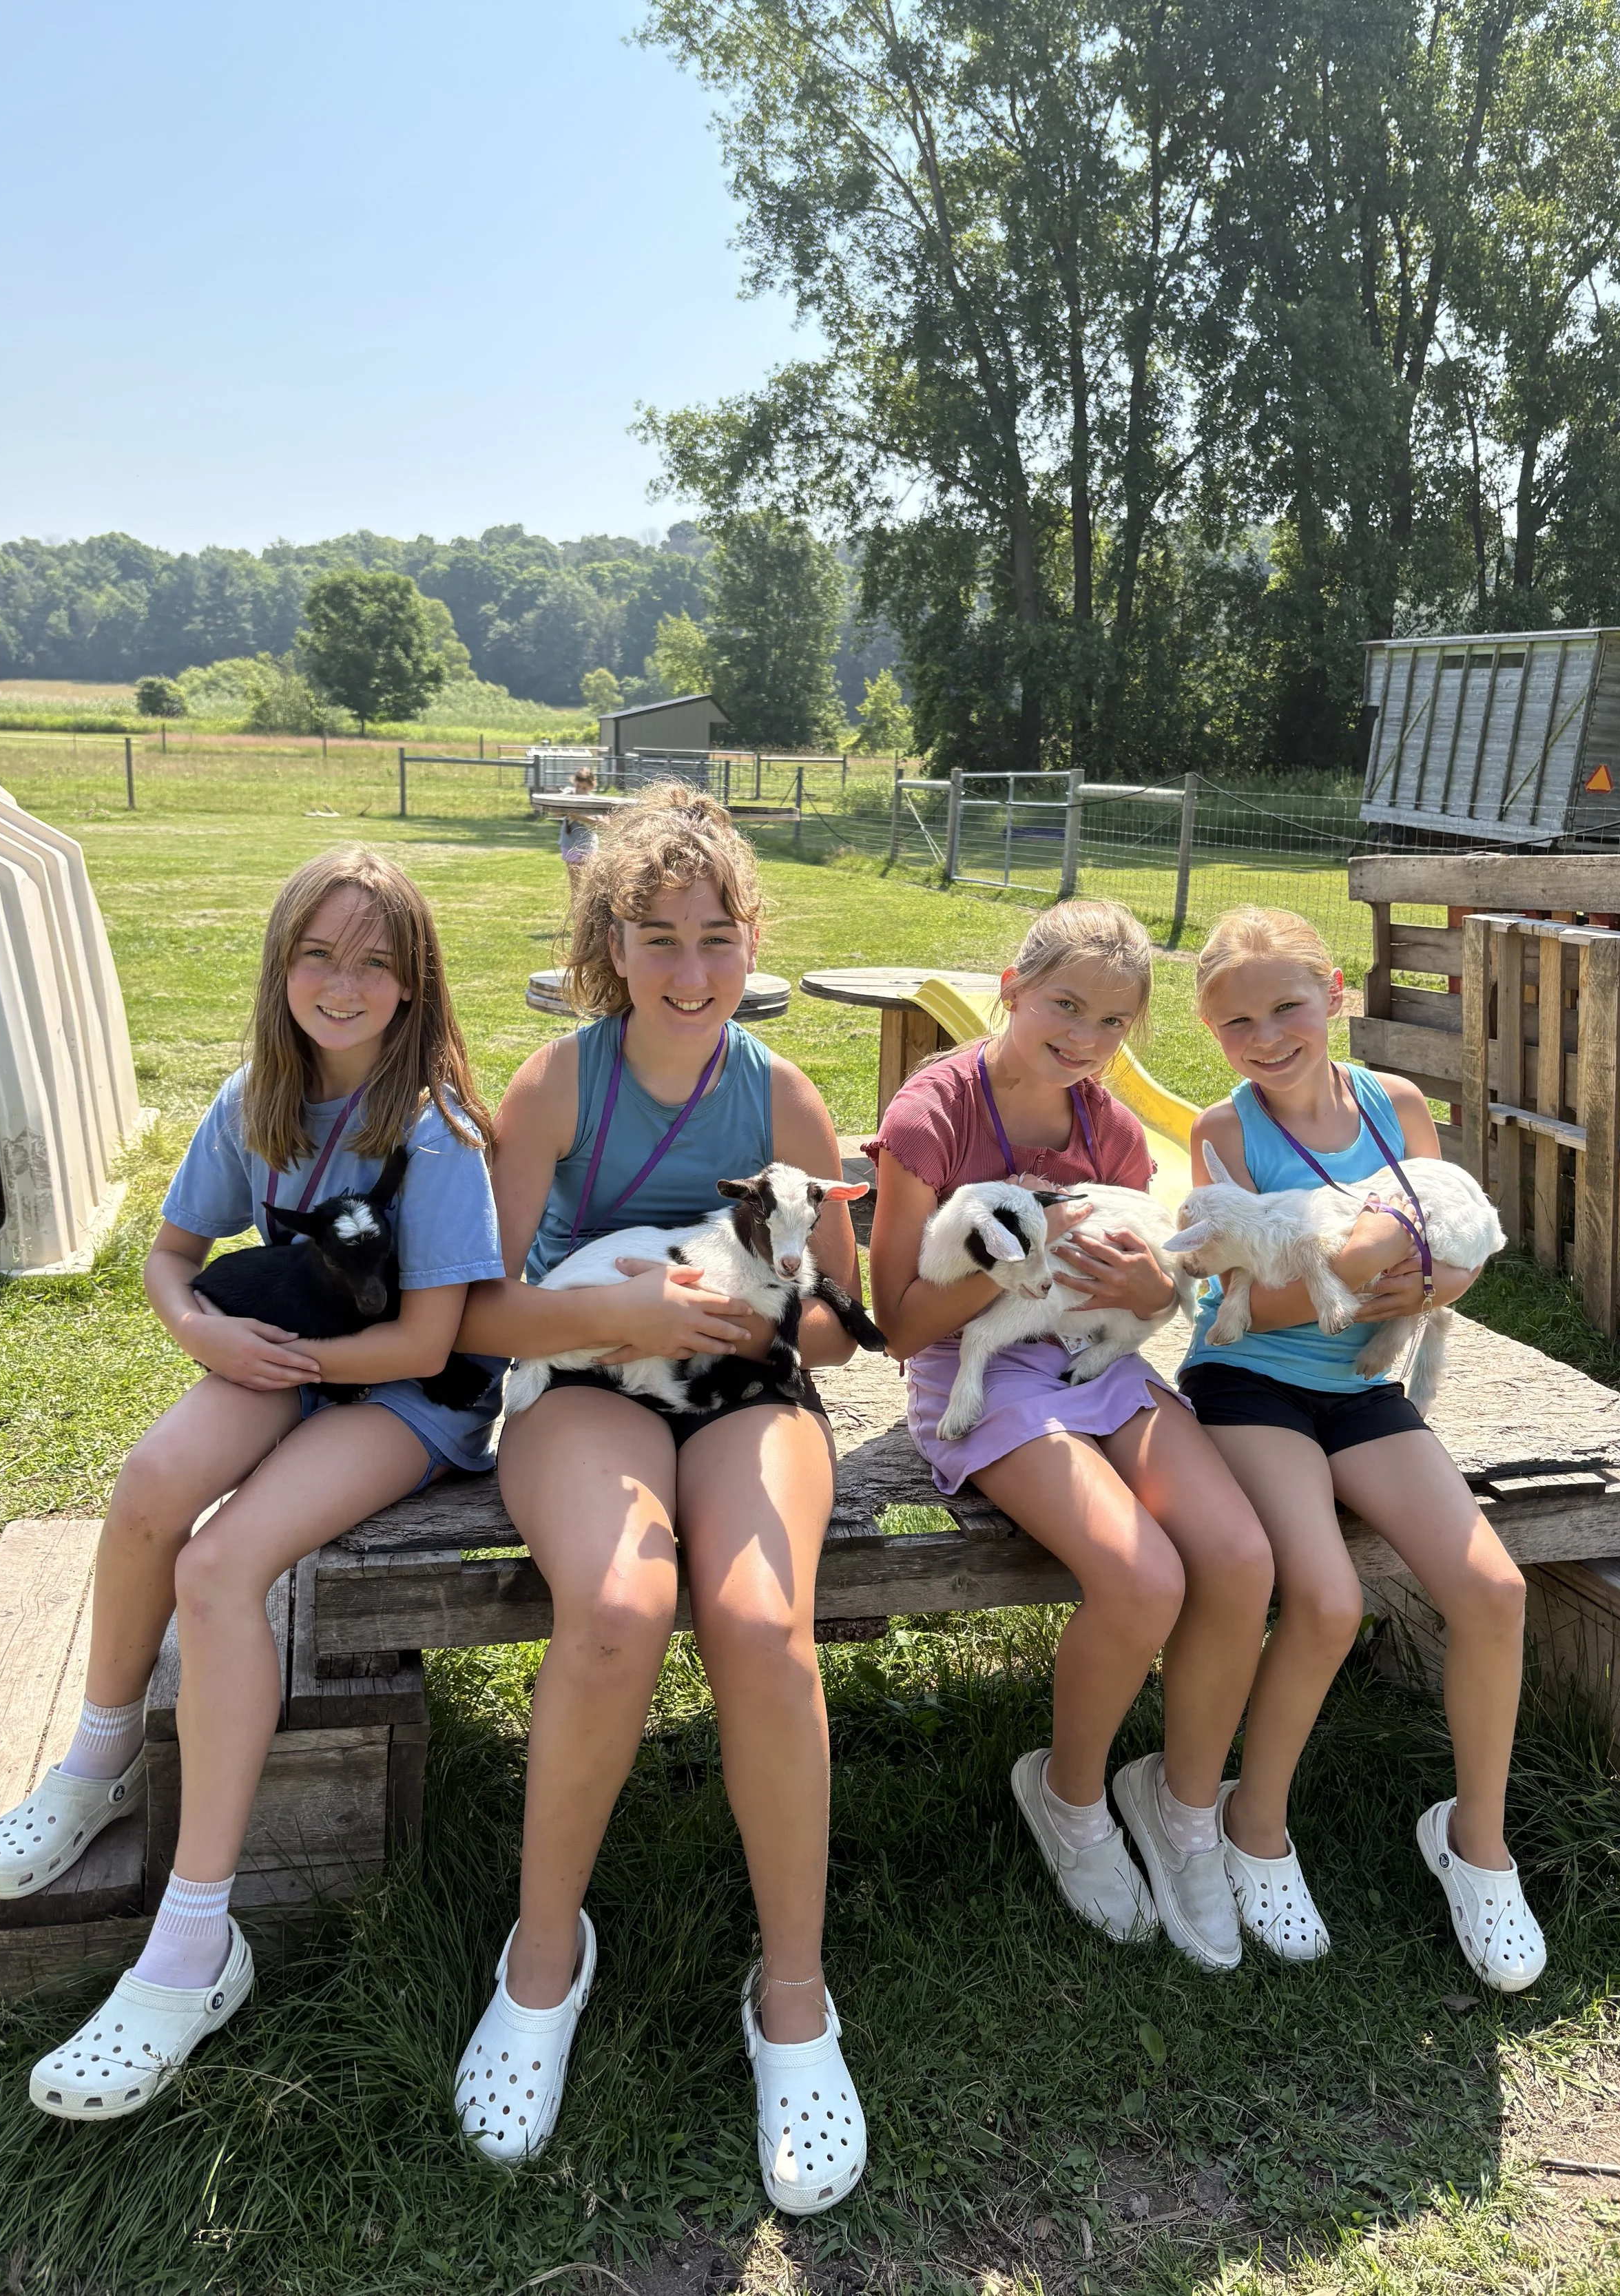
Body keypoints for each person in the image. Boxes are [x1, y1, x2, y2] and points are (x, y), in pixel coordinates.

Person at [0, 847, 505, 2116]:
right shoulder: (254, 1100)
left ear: (414, 985)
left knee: (221, 1564)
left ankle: (196, 1936)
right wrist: (199, 1328)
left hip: (405, 1395)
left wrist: (278, 1359)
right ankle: (100, 1758)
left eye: (374, 961)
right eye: (317, 954)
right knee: (154, 1481)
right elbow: (171, 1256)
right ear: (280, 968)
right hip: (289, 1353)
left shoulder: (436, 1134)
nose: (342, 982)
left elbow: (427, 1342)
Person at [453, 783, 870, 2212]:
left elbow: (839, 1324)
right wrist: (619, 1316)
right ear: (610, 944)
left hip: (747, 1386)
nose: (692, 971)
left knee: (762, 1626)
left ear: (752, 939)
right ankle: (542, 1958)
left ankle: (794, 1995)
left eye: (716, 937)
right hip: (583, 1380)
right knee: (621, 1608)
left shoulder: (784, 1095)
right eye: (659, 938)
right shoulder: (556, 1084)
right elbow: (472, 1307)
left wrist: (765, 1316)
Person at [866, 902, 1274, 1972]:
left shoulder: (1115, 1132)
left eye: (1113, 1021)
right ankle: (1072, 1795)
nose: (1086, 1036)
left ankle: (1185, 1807)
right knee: (1142, 1579)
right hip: (977, 1374)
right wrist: (1026, 1242)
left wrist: (1153, 1290)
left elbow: (1145, 1288)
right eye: (1065, 1004)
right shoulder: (933, 1114)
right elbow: (898, 1322)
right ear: (1010, 988)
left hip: (1095, 1359)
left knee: (1239, 1558)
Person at [1180, 905, 1545, 1988]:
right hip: (1250, 1385)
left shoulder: (1398, 1105)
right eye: (1237, 1021)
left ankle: (1476, 1841)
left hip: (1365, 1386)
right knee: (1329, 1600)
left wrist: (1436, 1276)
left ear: (1335, 994)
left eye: (1288, 1007)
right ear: (1212, 1030)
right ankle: (1255, 1822)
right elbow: (1242, 1306)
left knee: (1495, 1591)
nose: (1266, 1036)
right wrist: (1370, 1262)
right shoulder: (1224, 1132)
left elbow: (1452, 1236)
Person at [559, 764, 601, 896]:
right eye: (578, 786)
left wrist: (579, 817)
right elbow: (557, 812)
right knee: (575, 885)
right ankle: (577, 909)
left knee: (589, 884)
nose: (580, 790)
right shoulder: (568, 796)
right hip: (570, 842)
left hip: (587, 844)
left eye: (584, 788)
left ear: (591, 787)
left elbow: (601, 823)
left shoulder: (594, 802)